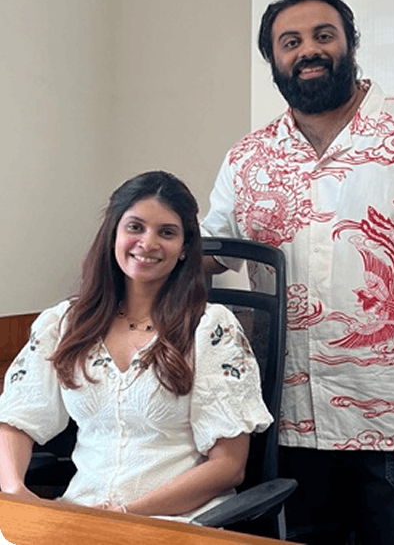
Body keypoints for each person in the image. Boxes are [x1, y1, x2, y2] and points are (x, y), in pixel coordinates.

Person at [200, 0, 394, 544]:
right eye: (290, 42)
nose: (308, 50)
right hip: (284, 419)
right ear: (273, 60)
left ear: (350, 43)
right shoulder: (248, 158)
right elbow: (210, 255)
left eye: (323, 35)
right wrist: (141, 249)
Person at [0, 170, 272, 522]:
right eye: (135, 227)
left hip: (178, 522)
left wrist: (127, 514)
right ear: (113, 233)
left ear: (185, 247)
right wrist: (16, 492)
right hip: (82, 516)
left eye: (167, 232)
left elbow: (229, 466)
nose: (148, 243)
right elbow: (16, 420)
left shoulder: (211, 328)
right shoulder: (65, 323)